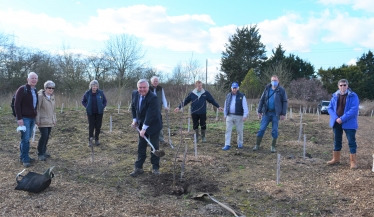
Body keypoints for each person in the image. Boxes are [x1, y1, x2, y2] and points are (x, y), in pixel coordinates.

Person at [130, 79, 163, 177]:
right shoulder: (135, 94)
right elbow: (133, 107)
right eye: (140, 87)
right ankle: (138, 168)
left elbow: (150, 114)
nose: (142, 89)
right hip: (141, 123)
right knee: (141, 146)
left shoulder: (153, 98)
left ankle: (155, 168)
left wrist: (144, 129)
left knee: (154, 146)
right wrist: (134, 120)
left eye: (144, 87)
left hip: (153, 124)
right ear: (137, 88)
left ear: (148, 87)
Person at [327, 79, 359, 169]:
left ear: (347, 86)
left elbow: (354, 109)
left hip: (349, 123)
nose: (342, 87)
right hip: (336, 122)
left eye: (344, 85)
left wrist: (342, 118)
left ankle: (353, 162)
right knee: (337, 141)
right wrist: (336, 118)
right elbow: (330, 108)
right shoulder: (334, 96)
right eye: (341, 85)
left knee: (351, 142)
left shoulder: (353, 96)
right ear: (338, 86)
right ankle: (336, 159)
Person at [253, 75, 288, 153]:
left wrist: (283, 114)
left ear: (278, 81)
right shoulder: (267, 89)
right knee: (261, 129)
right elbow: (262, 100)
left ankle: (273, 147)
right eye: (272, 80)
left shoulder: (281, 90)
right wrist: (259, 111)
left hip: (276, 113)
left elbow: (284, 102)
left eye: (275, 80)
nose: (274, 82)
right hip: (266, 112)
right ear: (270, 81)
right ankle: (257, 145)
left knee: (275, 130)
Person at [14, 72, 39, 167]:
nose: (34, 80)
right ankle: (25, 159)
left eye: (35, 78)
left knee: (26, 138)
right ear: (27, 79)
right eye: (32, 78)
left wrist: (35, 116)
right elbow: (17, 104)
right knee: (25, 139)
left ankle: (23, 156)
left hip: (32, 118)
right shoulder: (22, 89)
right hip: (24, 118)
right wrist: (19, 118)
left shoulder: (35, 90)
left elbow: (34, 105)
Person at [222, 82, 249, 150]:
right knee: (228, 130)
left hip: (239, 116)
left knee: (239, 130)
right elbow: (226, 106)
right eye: (233, 88)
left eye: (235, 88)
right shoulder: (228, 96)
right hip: (229, 115)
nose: (234, 89)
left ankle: (240, 143)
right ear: (231, 88)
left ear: (238, 88)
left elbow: (245, 106)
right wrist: (225, 114)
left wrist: (245, 115)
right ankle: (227, 144)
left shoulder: (242, 96)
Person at [82, 80, 107, 147]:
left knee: (98, 126)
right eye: (93, 86)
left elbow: (105, 101)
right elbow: (83, 101)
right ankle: (90, 140)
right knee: (91, 126)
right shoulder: (87, 93)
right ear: (91, 86)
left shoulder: (100, 93)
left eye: (96, 86)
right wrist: (86, 107)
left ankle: (96, 139)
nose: (95, 87)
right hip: (90, 113)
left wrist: (102, 107)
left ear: (97, 87)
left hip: (99, 112)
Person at [35, 80, 57, 161]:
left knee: (47, 137)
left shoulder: (52, 97)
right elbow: (37, 109)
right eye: (49, 88)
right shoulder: (40, 96)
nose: (51, 89)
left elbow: (53, 110)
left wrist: (54, 119)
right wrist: (37, 120)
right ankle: (40, 153)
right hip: (42, 121)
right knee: (44, 136)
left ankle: (44, 151)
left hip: (50, 121)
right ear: (45, 88)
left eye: (52, 88)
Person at [149, 76, 169, 145]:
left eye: (156, 81)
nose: (155, 82)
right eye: (154, 81)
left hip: (158, 109)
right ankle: (149, 140)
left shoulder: (160, 88)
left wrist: (165, 106)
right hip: (149, 110)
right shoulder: (148, 88)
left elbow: (163, 98)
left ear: (158, 82)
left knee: (159, 124)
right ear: (151, 82)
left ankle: (161, 139)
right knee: (149, 124)